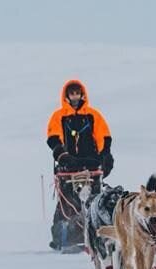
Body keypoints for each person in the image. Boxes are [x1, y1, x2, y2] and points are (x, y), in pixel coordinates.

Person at [46, 79, 114, 250]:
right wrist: (62, 155)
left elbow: (103, 136)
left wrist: (105, 155)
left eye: (77, 92)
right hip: (68, 165)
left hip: (91, 164)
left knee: (96, 201)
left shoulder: (93, 115)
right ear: (67, 95)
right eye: (72, 93)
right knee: (67, 202)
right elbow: (53, 138)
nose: (75, 96)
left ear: (82, 94)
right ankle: (63, 237)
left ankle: (99, 236)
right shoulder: (58, 116)